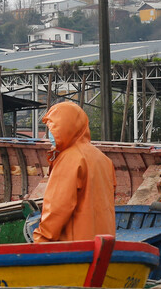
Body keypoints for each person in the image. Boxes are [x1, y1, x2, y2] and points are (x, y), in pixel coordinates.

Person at [31, 101, 117, 244]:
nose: (50, 134)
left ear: (65, 128)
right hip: (104, 245)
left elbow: (58, 207)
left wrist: (41, 239)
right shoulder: (104, 159)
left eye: (53, 129)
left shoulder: (69, 159)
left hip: (75, 246)